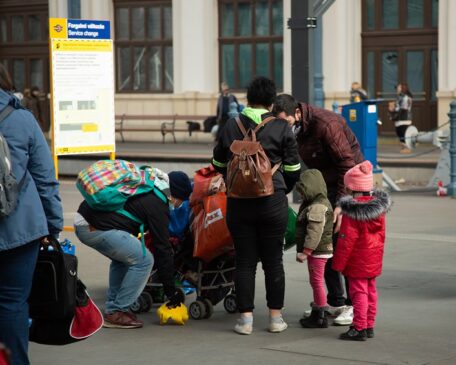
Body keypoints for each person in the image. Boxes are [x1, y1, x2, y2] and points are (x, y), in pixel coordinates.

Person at [212, 76, 301, 335]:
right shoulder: (282, 127)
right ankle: (275, 319)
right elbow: (294, 167)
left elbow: (217, 163)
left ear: (248, 99)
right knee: (274, 262)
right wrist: (282, 186)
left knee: (244, 262)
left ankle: (245, 320)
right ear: (272, 101)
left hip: (239, 204)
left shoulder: (231, 125)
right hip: (272, 203)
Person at [272, 94, 364, 326]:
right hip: (326, 186)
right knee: (325, 245)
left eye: (287, 123)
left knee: (344, 246)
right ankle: (335, 301)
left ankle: (353, 306)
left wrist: (342, 203)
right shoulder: (297, 128)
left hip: (348, 186)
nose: (284, 128)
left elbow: (347, 163)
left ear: (298, 114)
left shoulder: (326, 125)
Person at [0, 64, 63, 365]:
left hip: (20, 231)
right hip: (19, 230)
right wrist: (52, 226)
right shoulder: (22, 119)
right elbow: (45, 179)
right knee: (12, 303)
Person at [73, 170, 189, 329]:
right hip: (93, 227)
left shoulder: (152, 184)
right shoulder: (159, 205)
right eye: (181, 201)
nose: (179, 205)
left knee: (124, 259)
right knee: (144, 260)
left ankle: (113, 307)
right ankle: (116, 311)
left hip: (85, 220)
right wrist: (171, 292)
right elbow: (163, 250)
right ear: (175, 196)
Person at [332, 161, 391, 341]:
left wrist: (338, 264)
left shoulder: (353, 212)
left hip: (357, 260)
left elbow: (346, 241)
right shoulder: (378, 210)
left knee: (358, 293)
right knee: (371, 291)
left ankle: (358, 328)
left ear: (353, 188)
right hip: (373, 258)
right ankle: (369, 325)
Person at [295, 169, 334, 329]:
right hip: (319, 250)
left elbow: (314, 232)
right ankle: (319, 309)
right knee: (315, 280)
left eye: (303, 192)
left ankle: (320, 315)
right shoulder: (317, 202)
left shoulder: (318, 206)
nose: (301, 196)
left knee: (317, 281)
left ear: (311, 188)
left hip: (318, 251)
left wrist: (306, 252)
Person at [388, 83, 413, 154]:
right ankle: (404, 147)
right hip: (400, 118)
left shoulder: (405, 97)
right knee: (399, 132)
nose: (397, 89)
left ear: (402, 88)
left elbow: (403, 108)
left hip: (404, 118)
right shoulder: (400, 96)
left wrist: (394, 109)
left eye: (398, 87)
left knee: (403, 133)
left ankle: (407, 147)